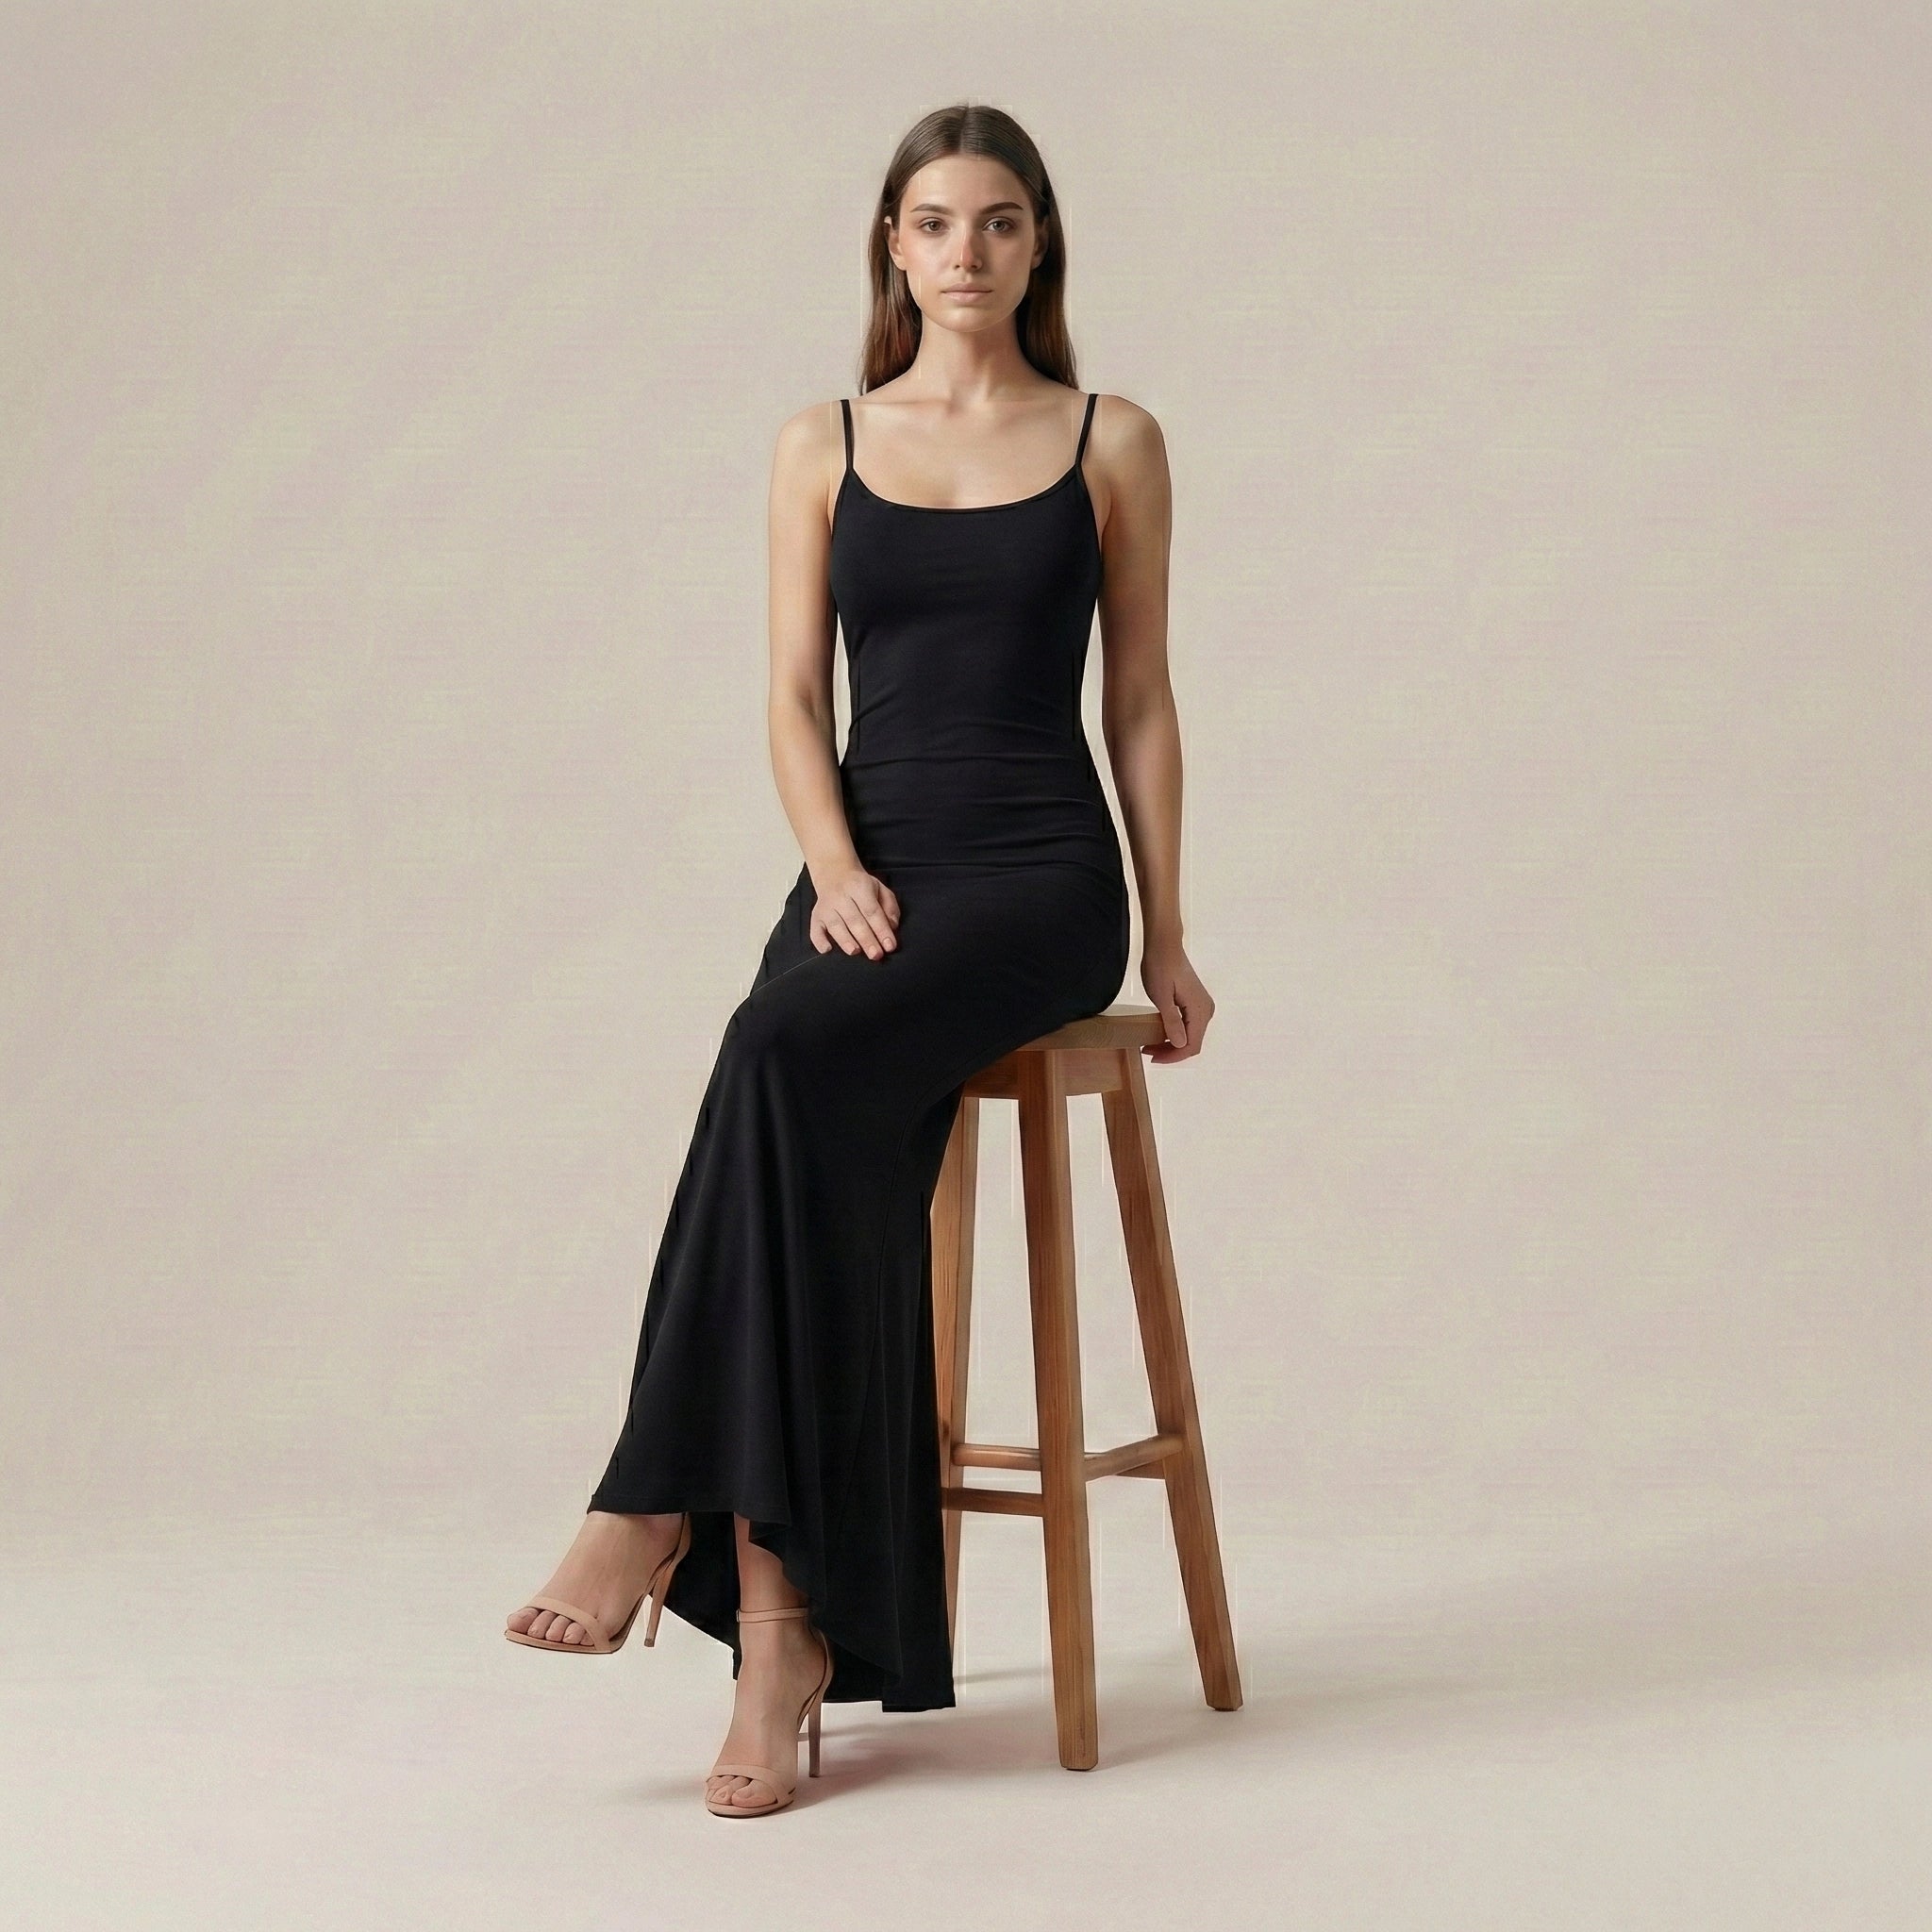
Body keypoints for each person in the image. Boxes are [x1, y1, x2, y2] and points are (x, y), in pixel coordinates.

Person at [503, 101, 1215, 1816]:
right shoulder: (819, 439)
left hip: (1037, 876)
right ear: (889, 250)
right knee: (789, 1073)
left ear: (1039, 246)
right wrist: (830, 863)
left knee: (777, 1057)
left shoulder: (1111, 437)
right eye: (931, 224)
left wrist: (1173, 933)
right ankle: (778, 1624)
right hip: (869, 868)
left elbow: (1139, 703)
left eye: (998, 223)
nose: (964, 253)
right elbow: (788, 695)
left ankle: (671, 1518)